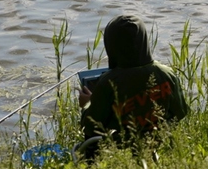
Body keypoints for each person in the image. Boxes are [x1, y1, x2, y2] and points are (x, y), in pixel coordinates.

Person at [79, 14, 189, 159]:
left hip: (118, 146)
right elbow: (181, 112)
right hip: (156, 139)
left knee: (90, 139)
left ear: (111, 46)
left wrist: (86, 104)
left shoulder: (108, 82)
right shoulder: (166, 74)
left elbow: (90, 126)